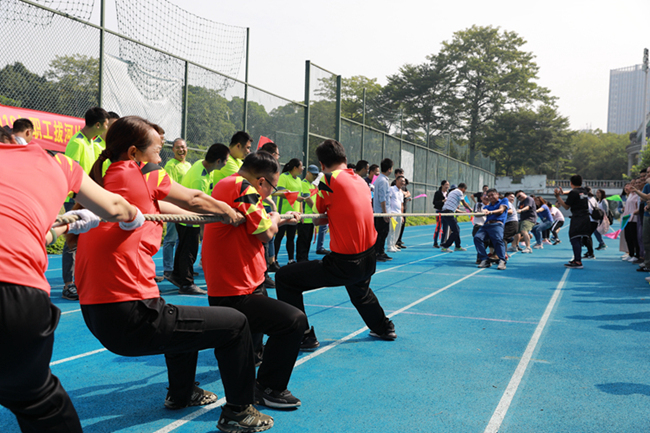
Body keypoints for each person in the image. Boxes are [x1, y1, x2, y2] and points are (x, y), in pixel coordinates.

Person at [75, 116, 274, 432]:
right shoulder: (142, 173)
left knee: (187, 322)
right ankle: (239, 411)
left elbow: (185, 213)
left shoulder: (109, 181)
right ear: (134, 153)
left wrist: (217, 217)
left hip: (99, 316)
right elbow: (194, 198)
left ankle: (181, 393)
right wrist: (227, 210)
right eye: (157, 151)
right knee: (236, 324)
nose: (161, 158)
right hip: (132, 315)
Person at [0, 125, 140, 433]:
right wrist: (134, 215)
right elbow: (115, 206)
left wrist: (68, 226)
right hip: (13, 290)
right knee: (39, 403)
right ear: (14, 140)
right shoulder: (55, 161)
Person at [204, 151, 306, 409]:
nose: (270, 194)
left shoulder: (238, 188)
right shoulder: (240, 186)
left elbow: (260, 226)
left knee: (251, 347)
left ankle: (257, 386)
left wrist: (279, 217)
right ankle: (270, 387)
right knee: (293, 322)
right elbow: (266, 233)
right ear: (261, 181)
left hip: (249, 283)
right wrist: (274, 218)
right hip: (235, 290)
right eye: (272, 187)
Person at [276, 139, 396, 350]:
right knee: (360, 290)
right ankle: (384, 327)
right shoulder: (360, 180)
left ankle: (303, 335)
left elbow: (318, 218)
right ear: (345, 159)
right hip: (369, 257)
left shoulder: (328, 179)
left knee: (285, 278)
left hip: (345, 263)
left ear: (321, 165)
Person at [61, 106, 110, 301]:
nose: (107, 128)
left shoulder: (95, 144)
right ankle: (68, 285)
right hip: (77, 199)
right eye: (106, 125)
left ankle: (83, 280)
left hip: (91, 199)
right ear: (97, 125)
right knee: (71, 240)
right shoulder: (77, 143)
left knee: (89, 240)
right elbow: (69, 173)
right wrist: (78, 199)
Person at [168, 143, 230, 295]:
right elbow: (198, 205)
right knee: (189, 251)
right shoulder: (200, 179)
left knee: (183, 248)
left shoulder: (201, 165)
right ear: (218, 161)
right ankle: (186, 284)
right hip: (188, 217)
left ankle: (177, 275)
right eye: (226, 160)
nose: (227, 163)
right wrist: (220, 214)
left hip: (184, 216)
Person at [162, 138, 192, 279]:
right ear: (173, 149)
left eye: (183, 147)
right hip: (176, 206)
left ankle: (180, 268)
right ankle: (168, 268)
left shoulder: (189, 165)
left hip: (187, 207)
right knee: (171, 238)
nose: (181, 150)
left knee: (182, 239)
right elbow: (170, 186)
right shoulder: (170, 165)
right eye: (178, 147)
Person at [554, 175, 591, 269]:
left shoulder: (573, 192)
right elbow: (574, 193)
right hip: (586, 217)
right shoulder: (584, 190)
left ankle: (578, 261)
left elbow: (566, 207)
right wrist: (563, 193)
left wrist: (558, 197)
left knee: (574, 238)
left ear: (571, 183)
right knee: (578, 238)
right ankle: (577, 259)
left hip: (578, 218)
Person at [274, 158, 306, 265]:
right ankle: (274, 260)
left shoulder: (299, 180)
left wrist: (301, 212)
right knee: (279, 237)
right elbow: (280, 192)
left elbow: (300, 197)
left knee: (291, 238)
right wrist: (295, 197)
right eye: (301, 166)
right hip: (283, 213)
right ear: (295, 167)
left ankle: (291, 260)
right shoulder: (284, 177)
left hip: (294, 214)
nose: (302, 169)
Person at [474, 188, 508, 270]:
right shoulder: (487, 206)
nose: (490, 197)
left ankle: (502, 261)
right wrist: (479, 212)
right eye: (489, 196)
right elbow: (479, 214)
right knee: (477, 238)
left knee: (498, 240)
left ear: (497, 194)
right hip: (486, 226)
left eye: (492, 195)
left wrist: (490, 212)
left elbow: (501, 210)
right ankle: (485, 259)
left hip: (497, 224)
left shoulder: (503, 201)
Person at [440, 183, 472, 253]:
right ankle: (445, 247)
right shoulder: (459, 192)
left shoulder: (452, 192)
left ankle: (457, 246)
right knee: (456, 230)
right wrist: (470, 209)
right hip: (448, 212)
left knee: (456, 229)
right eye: (464, 191)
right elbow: (464, 203)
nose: (463, 192)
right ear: (463, 189)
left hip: (447, 212)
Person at [296, 164, 319, 262]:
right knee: (303, 240)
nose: (315, 177)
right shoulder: (303, 183)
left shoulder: (312, 185)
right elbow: (307, 200)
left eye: (316, 175)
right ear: (308, 173)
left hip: (311, 218)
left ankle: (304, 258)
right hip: (305, 218)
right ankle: (301, 259)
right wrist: (315, 210)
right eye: (313, 174)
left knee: (308, 239)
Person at [373, 158, 393, 261]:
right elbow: (382, 198)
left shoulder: (382, 179)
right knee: (381, 232)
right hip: (381, 212)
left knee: (384, 232)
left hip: (382, 211)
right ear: (389, 169)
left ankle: (381, 251)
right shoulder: (382, 181)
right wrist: (385, 213)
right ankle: (378, 252)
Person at [387, 176, 405, 253]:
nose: (402, 183)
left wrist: (402, 215)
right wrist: (388, 212)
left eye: (403, 181)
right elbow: (387, 200)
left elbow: (401, 204)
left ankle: (394, 245)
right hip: (392, 213)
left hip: (399, 214)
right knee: (392, 230)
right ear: (396, 180)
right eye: (401, 181)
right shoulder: (391, 189)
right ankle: (389, 246)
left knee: (397, 230)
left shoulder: (401, 192)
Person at [472, 193, 490, 263]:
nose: (486, 198)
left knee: (487, 242)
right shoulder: (478, 204)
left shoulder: (491, 206)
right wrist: (485, 212)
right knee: (479, 242)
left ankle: (482, 257)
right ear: (481, 198)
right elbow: (476, 214)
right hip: (479, 226)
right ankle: (480, 258)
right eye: (484, 196)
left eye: (487, 196)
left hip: (488, 226)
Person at [432, 180, 449, 248]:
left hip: (446, 212)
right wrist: (442, 201)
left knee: (445, 228)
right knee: (438, 227)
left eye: (448, 185)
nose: (447, 186)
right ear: (442, 185)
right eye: (446, 184)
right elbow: (434, 202)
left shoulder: (448, 194)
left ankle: (442, 242)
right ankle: (435, 243)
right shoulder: (438, 193)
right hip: (439, 212)